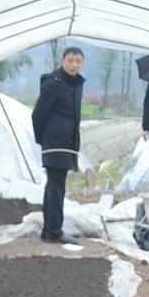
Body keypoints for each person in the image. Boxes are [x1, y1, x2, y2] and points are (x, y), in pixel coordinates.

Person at [31, 46, 87, 245]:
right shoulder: (53, 84)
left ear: (82, 64)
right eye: (70, 60)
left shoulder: (76, 85)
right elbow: (38, 114)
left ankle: (50, 230)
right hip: (55, 142)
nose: (74, 65)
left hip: (68, 143)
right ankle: (54, 231)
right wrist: (44, 140)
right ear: (63, 61)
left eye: (78, 61)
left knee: (55, 186)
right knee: (56, 186)